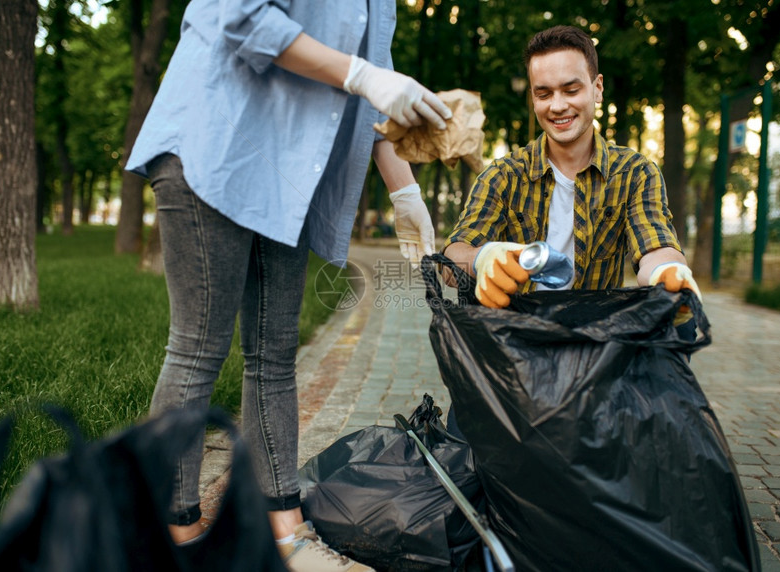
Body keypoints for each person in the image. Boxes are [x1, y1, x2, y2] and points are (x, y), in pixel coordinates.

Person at [124, 2, 451, 571]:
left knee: (273, 356)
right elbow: (243, 18)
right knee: (199, 348)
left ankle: (284, 532)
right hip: (213, 142)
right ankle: (173, 532)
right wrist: (362, 75)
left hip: (289, 169)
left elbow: (376, 81)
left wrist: (405, 192)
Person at [444, 25, 701, 311]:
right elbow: (453, 256)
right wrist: (482, 257)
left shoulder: (634, 173)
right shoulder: (502, 176)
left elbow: (655, 246)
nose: (557, 105)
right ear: (532, 97)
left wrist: (666, 273)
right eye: (544, 94)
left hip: (593, 341)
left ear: (597, 88)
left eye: (571, 90)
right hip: (511, 338)